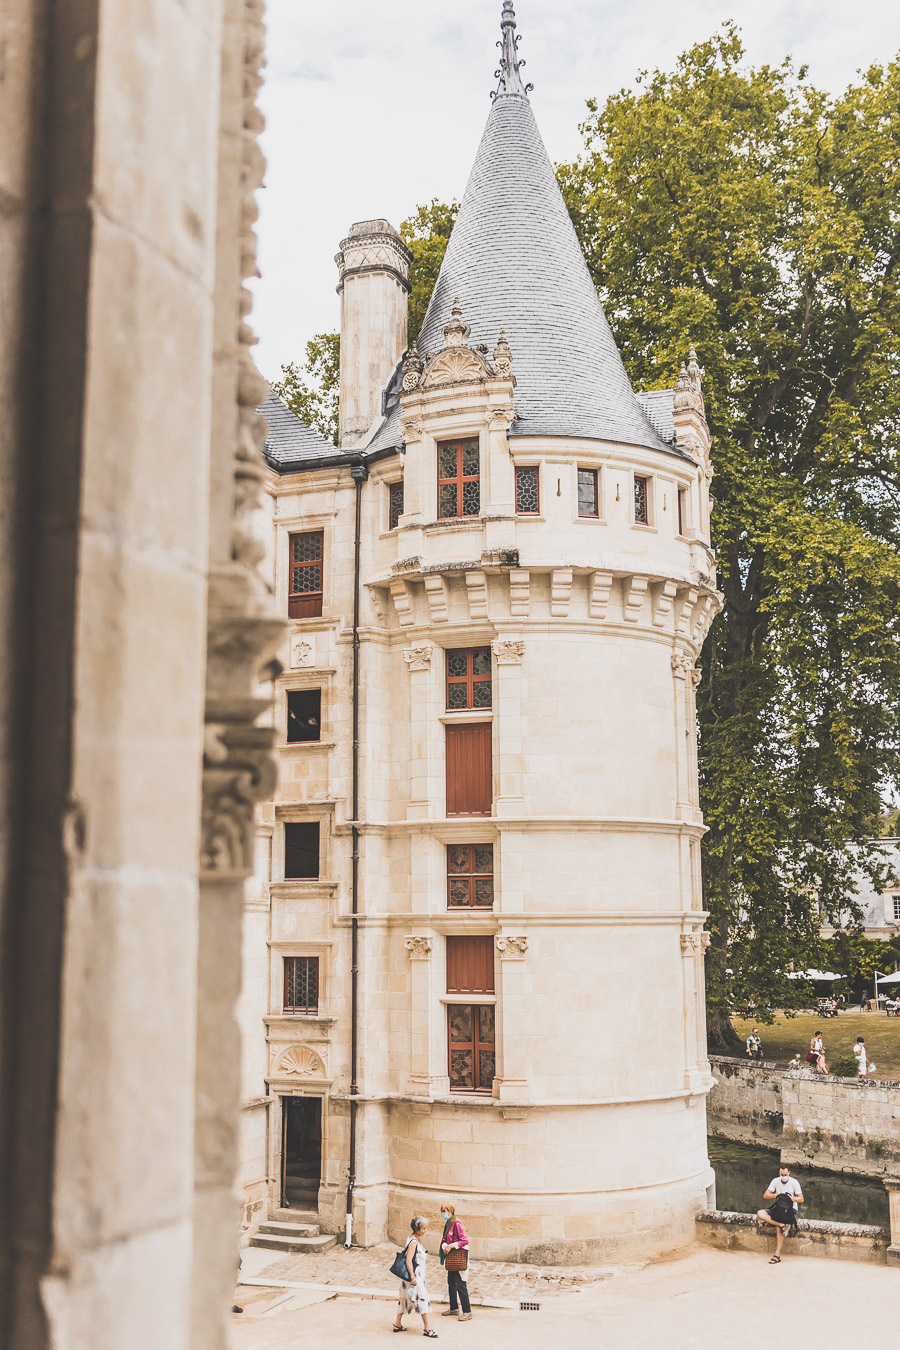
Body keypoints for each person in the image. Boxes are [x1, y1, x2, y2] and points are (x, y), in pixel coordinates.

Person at [393, 1216, 437, 1337]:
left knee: (404, 1298)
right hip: (414, 1277)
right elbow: (408, 1260)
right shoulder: (413, 1242)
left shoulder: (414, 1238)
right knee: (422, 1298)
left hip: (415, 1276)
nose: (425, 1230)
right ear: (418, 1229)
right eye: (423, 1228)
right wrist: (413, 1278)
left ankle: (397, 1323)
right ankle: (427, 1328)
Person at [756, 1164, 804, 1264]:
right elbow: (766, 1195)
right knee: (760, 1213)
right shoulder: (775, 1181)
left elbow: (801, 1199)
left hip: (791, 1209)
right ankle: (781, 1225)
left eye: (785, 1174)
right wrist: (778, 1195)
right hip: (778, 1208)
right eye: (782, 1174)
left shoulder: (794, 1182)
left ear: (789, 1173)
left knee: (778, 1229)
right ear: (779, 1173)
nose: (783, 1176)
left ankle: (777, 1255)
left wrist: (789, 1198)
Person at [438, 1201, 472, 1322]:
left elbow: (464, 1240)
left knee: (460, 1283)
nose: (442, 1213)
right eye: (442, 1211)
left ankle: (467, 1311)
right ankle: (453, 1308)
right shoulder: (448, 1223)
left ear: (451, 1211)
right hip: (452, 1258)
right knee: (451, 1282)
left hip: (458, 1257)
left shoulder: (456, 1223)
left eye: (444, 1211)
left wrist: (450, 1246)